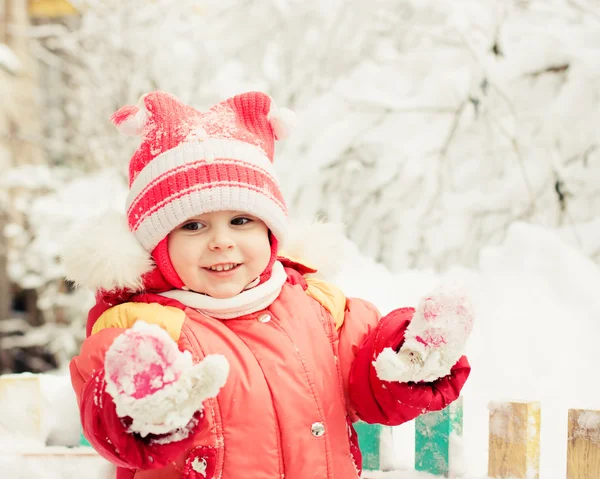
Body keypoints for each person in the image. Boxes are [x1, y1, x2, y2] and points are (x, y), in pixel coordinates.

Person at [63, 91, 473, 479]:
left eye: (241, 221)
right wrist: (144, 408)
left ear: (271, 233)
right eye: (193, 225)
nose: (221, 240)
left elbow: (371, 390)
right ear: (158, 247)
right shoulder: (137, 328)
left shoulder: (320, 309)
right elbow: (109, 423)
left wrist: (410, 361)